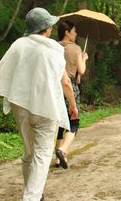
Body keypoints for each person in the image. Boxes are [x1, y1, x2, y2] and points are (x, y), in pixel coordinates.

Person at [0, 7, 78, 201]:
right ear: (46, 28)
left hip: (22, 104)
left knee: (29, 152)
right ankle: (31, 197)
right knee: (42, 154)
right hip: (46, 107)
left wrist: (12, 92)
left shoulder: (18, 45)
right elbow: (65, 82)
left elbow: (2, 68)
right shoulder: (54, 50)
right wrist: (72, 105)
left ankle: (33, 193)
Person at [54, 20, 88, 169]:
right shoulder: (76, 48)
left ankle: (57, 158)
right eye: (74, 31)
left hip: (54, 87)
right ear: (67, 32)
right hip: (70, 86)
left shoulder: (53, 46)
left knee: (61, 122)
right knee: (74, 122)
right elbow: (81, 70)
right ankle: (62, 150)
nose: (76, 34)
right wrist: (84, 58)